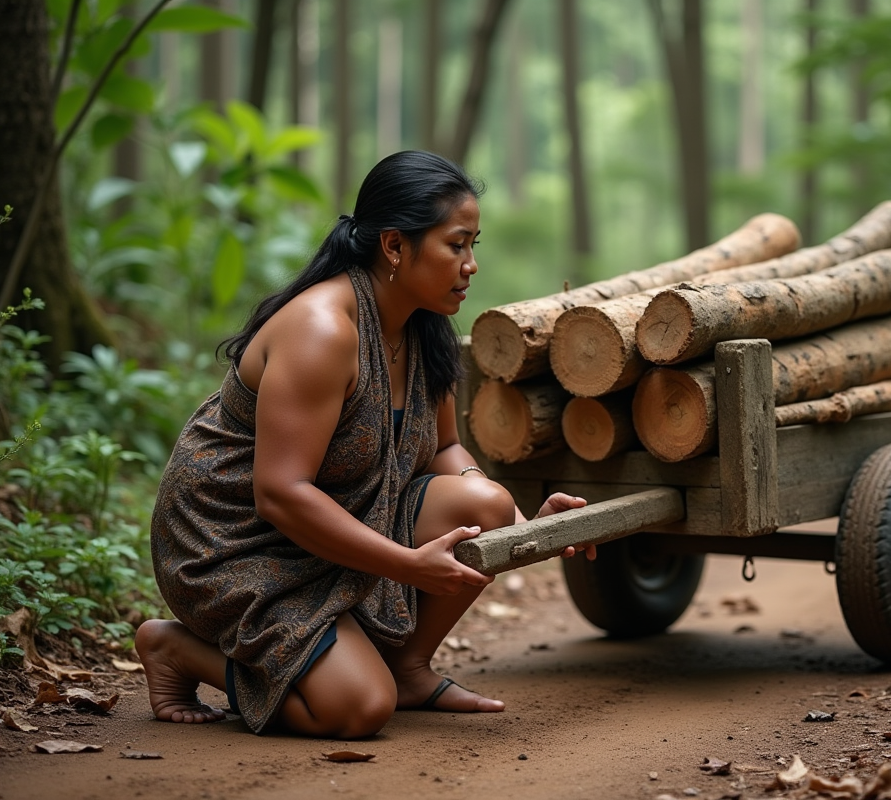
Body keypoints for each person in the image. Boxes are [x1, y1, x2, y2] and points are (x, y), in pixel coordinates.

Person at [136, 150, 593, 738]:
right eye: (457, 245)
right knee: (356, 709)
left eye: (473, 245)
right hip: (234, 542)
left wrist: (522, 526)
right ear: (396, 247)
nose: (471, 265)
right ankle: (179, 650)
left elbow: (444, 451)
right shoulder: (322, 330)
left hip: (335, 520)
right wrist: (408, 566)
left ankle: (407, 668)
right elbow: (280, 493)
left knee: (485, 505)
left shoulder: (424, 325)